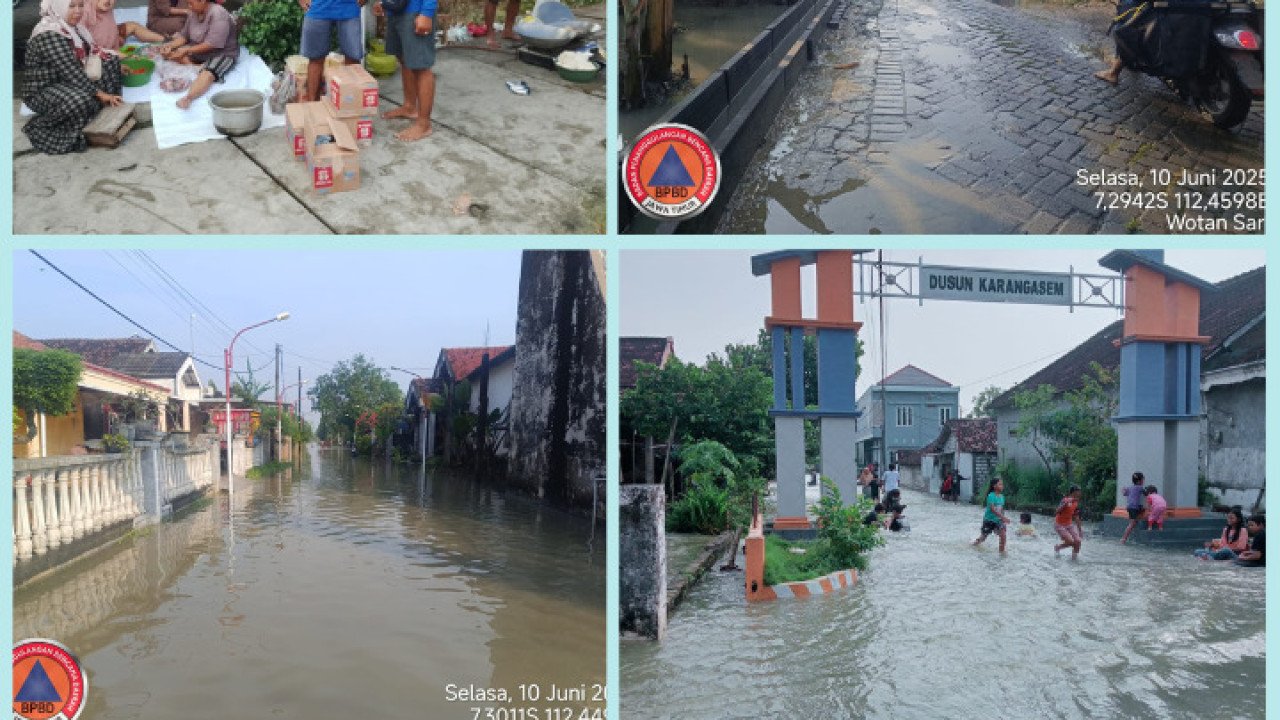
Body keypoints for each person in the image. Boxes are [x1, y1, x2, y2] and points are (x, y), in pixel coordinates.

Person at [22, 0, 124, 155]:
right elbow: (72, 73)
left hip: (67, 81)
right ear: (58, 7)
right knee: (80, 100)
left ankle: (92, 109)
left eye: (81, 5)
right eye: (71, 6)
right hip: (44, 90)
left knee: (111, 63)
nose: (78, 11)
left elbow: (94, 52)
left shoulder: (74, 28)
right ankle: (40, 125)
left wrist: (116, 60)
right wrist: (101, 94)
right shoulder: (49, 34)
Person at [157, 0, 239, 109]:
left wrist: (187, 50)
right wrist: (170, 46)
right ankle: (198, 67)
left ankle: (188, 98)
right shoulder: (193, 13)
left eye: (191, 3)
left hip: (221, 53)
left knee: (208, 73)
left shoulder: (218, 14)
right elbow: (184, 37)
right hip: (198, 51)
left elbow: (212, 44)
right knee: (169, 55)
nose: (189, 6)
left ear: (203, 1)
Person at [376, 0, 437, 141]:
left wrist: (426, 12)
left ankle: (424, 124)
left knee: (421, 67)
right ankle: (409, 107)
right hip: (396, 10)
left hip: (416, 11)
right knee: (404, 59)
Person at [297, 0, 366, 102]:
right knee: (315, 59)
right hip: (318, 8)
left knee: (353, 59)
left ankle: (351, 106)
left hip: (349, 8)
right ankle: (312, 106)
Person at [83, 0, 167, 52]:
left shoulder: (106, 8)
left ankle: (167, 41)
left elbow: (110, 27)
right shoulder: (84, 12)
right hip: (96, 51)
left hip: (112, 40)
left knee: (132, 26)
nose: (108, 1)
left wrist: (115, 40)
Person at [972, 476, 1011, 553]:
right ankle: (973, 545)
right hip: (989, 520)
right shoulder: (991, 495)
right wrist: (1003, 517)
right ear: (994, 486)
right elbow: (992, 509)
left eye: (1002, 484)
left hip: (998, 521)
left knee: (1003, 535)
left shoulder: (1002, 497)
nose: (1002, 486)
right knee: (983, 538)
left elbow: (1002, 509)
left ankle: (1001, 553)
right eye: (1000, 484)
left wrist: (1003, 519)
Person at [1053, 485, 1084, 557]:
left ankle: (1074, 559)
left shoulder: (1076, 503)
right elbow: (1056, 511)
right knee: (1070, 541)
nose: (1080, 493)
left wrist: (1080, 530)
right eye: (1078, 491)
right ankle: (1058, 547)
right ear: (1074, 492)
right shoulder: (1065, 500)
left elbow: (1076, 517)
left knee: (1078, 541)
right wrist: (1065, 504)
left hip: (1069, 524)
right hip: (1059, 525)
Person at [1120, 471, 1146, 543]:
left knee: (1136, 518)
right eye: (1142, 480)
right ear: (1139, 481)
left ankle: (1125, 538)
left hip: (1130, 507)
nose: (1143, 481)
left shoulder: (1130, 487)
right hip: (1134, 508)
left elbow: (1125, 493)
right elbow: (1146, 493)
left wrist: (1123, 490)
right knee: (1132, 523)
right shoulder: (1139, 487)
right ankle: (1123, 539)